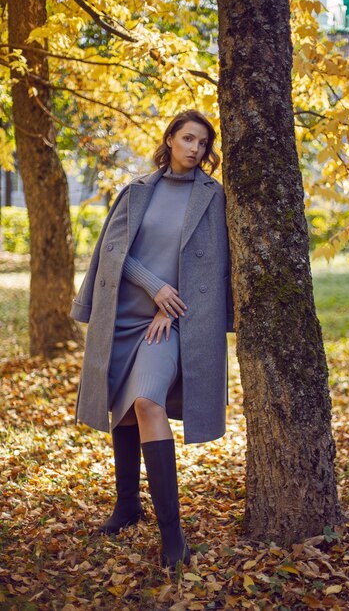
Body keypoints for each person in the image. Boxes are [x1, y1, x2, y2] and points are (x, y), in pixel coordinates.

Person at [70, 109, 234, 569]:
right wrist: (154, 287)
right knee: (121, 410)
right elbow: (115, 252)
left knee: (145, 402)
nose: (194, 149)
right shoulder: (139, 189)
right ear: (170, 139)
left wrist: (171, 301)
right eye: (187, 138)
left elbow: (212, 265)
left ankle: (173, 535)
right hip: (125, 313)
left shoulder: (214, 197)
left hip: (171, 321)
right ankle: (127, 505)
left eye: (202, 143)